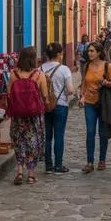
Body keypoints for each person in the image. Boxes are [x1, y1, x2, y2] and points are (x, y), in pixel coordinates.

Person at [8, 47, 48, 185]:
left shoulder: (13, 74)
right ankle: (31, 175)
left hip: (18, 116)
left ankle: (19, 171)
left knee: (19, 142)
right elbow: (45, 96)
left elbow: (9, 94)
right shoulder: (39, 75)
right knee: (32, 143)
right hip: (34, 116)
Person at [80, 42, 111, 174]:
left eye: (92, 51)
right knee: (90, 132)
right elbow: (84, 83)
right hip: (90, 103)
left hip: (103, 103)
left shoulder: (108, 66)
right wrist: (82, 97)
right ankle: (90, 161)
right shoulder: (86, 66)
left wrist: (107, 83)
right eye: (89, 51)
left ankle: (102, 160)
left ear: (99, 53)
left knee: (102, 132)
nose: (89, 53)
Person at [41, 43, 75, 174]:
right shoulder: (64, 69)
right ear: (59, 55)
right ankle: (58, 166)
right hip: (60, 105)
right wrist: (66, 93)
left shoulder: (40, 69)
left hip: (45, 105)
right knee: (59, 136)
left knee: (48, 136)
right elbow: (71, 89)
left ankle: (48, 166)